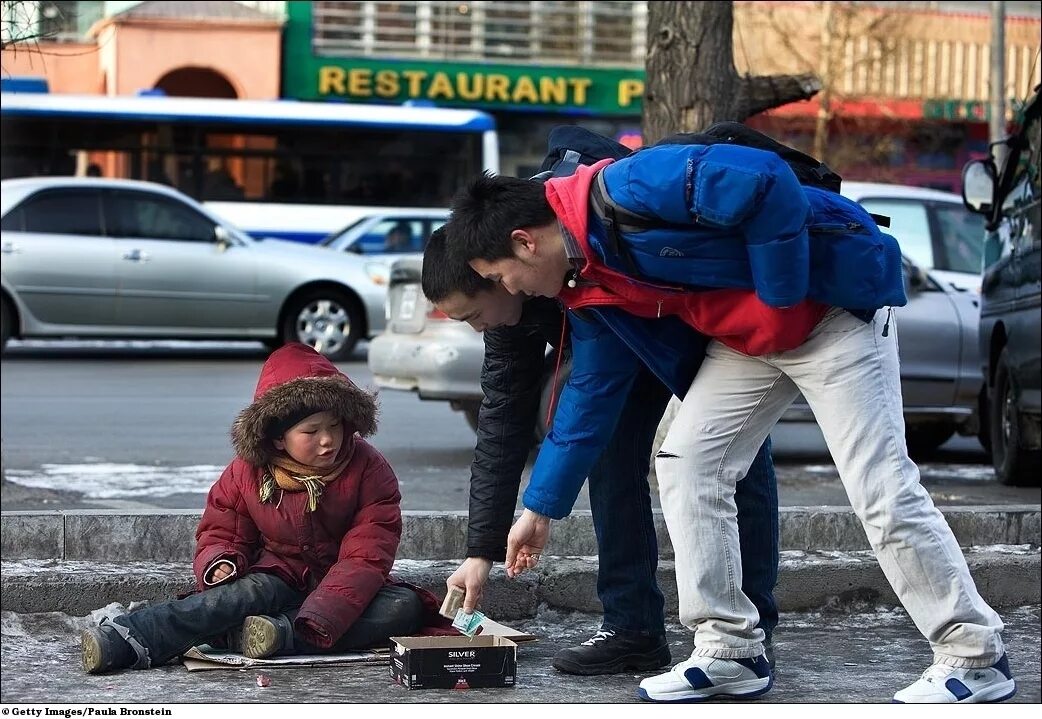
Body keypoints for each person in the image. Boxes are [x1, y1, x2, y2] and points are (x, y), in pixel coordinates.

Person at [440, 143, 1015, 704]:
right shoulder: (584, 281)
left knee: (879, 487)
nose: (510, 291)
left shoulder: (630, 186)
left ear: (524, 241)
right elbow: (590, 393)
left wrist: (781, 297)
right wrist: (539, 510)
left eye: (503, 276)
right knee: (688, 465)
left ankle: (975, 654)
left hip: (832, 309)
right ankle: (729, 651)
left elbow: (765, 180)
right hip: (749, 340)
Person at [421, 227, 781, 675]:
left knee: (732, 456)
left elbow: (590, 388)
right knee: (607, 454)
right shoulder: (509, 312)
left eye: (474, 314)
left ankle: (753, 625)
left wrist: (538, 512)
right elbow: (501, 428)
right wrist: (481, 552)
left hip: (691, 327)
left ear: (497, 274)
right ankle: (632, 628)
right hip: (611, 348)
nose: (478, 328)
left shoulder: (575, 249)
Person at [80, 343, 436, 674]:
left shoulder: (370, 469)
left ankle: (275, 635)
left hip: (344, 586)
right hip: (277, 575)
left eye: (334, 426)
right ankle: (128, 638)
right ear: (278, 438)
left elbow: (367, 556)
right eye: (311, 431)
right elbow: (222, 529)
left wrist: (322, 611)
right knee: (237, 597)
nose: (328, 440)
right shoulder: (247, 472)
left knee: (404, 607)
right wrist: (221, 561)